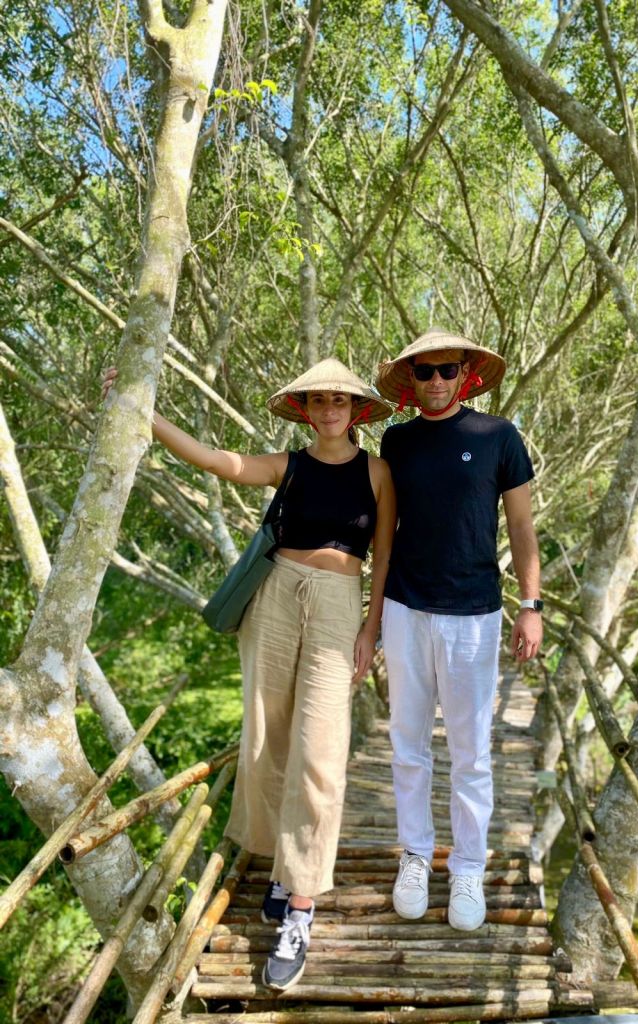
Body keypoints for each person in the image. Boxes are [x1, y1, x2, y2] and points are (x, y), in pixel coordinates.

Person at [102, 358, 395, 989]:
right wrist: (146, 416)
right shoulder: (288, 465)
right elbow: (218, 461)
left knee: (321, 749)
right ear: (305, 410)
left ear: (356, 410)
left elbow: (386, 554)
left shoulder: (377, 472)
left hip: (340, 603)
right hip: (277, 597)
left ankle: (302, 905)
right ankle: (282, 871)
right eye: (316, 401)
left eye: (338, 401)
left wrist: (371, 629)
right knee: (268, 737)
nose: (328, 411)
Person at [374, 327, 542, 932]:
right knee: (407, 744)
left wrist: (531, 603)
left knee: (470, 752)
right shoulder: (396, 441)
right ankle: (416, 854)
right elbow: (381, 527)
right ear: (411, 380)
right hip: (405, 608)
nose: (437, 382)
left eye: (448, 370)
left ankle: (467, 865)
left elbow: (521, 526)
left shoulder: (498, 435)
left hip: (474, 613)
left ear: (466, 373)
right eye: (425, 372)